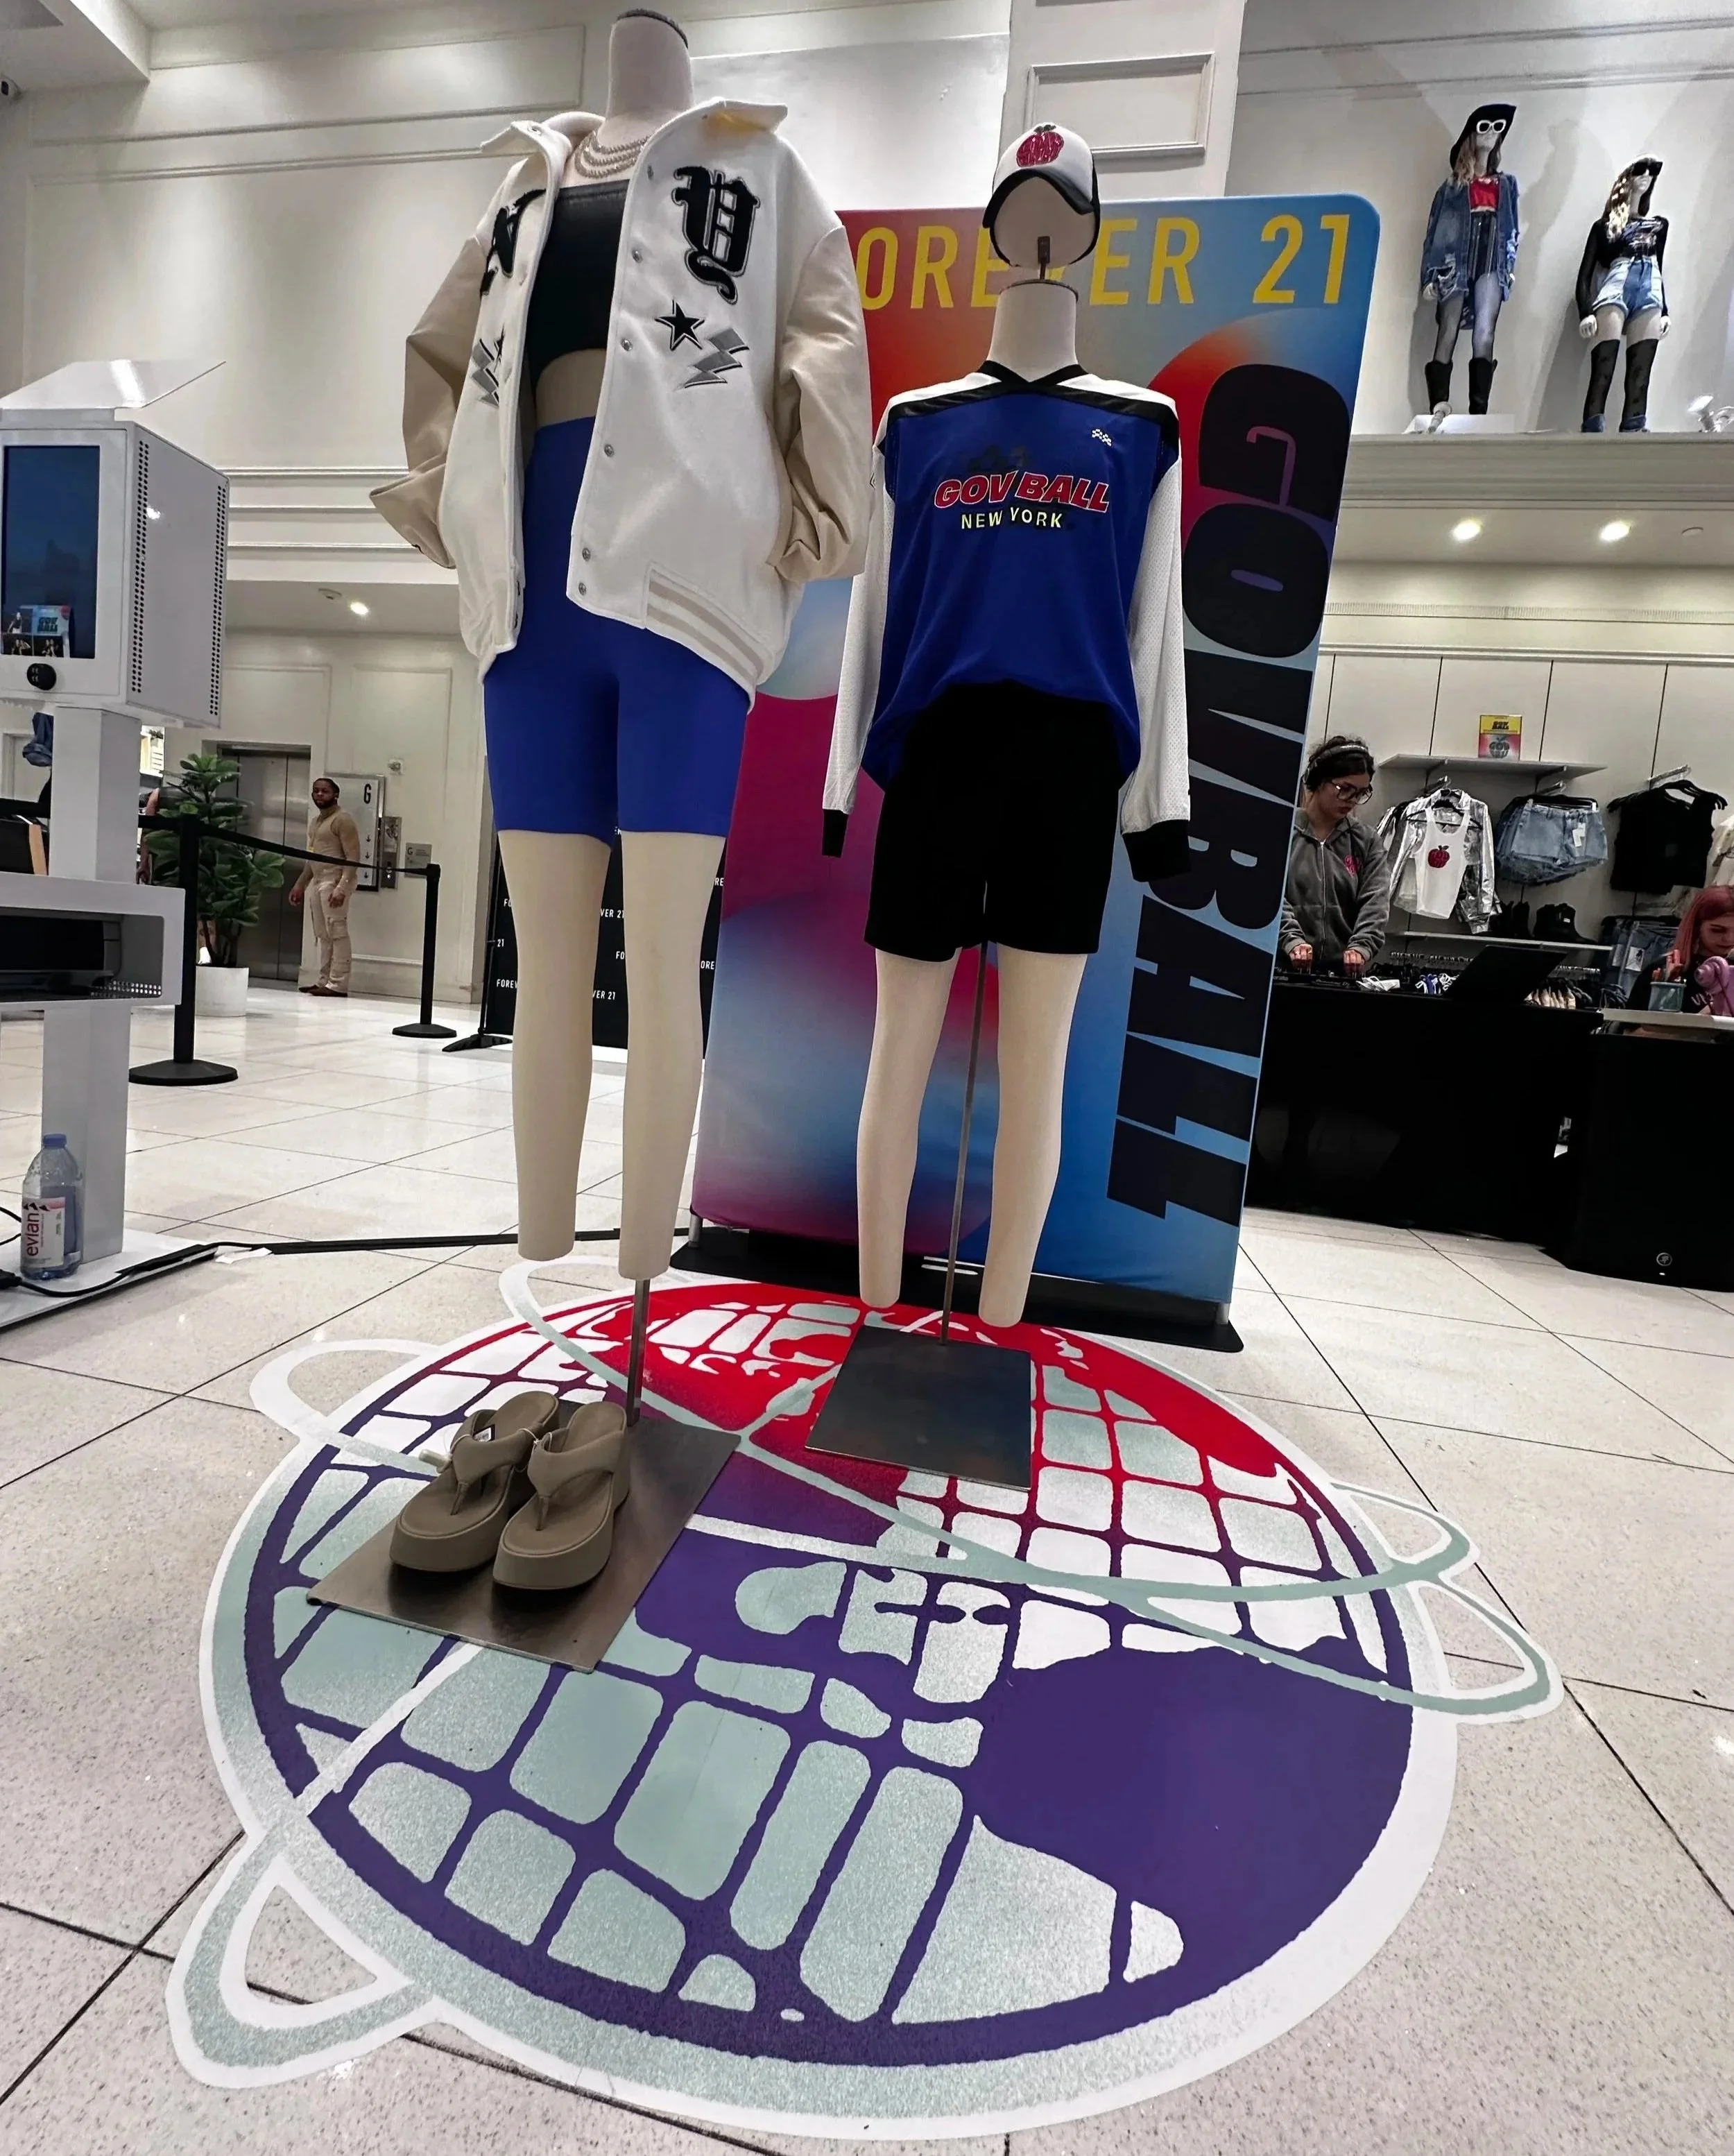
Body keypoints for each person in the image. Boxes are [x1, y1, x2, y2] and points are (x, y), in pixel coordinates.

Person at [1280, 736, 1391, 975]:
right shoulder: (1282, 832)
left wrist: (1361, 947)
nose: (1352, 801)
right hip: (1282, 970)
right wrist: (1292, 940)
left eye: (1360, 793)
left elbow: (1375, 902)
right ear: (1319, 780)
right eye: (1344, 789)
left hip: (1342, 976)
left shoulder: (1367, 841)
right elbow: (1269, 895)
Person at [289, 776, 361, 997]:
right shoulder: (316, 823)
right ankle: (324, 981)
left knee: (337, 931)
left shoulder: (342, 820)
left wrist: (341, 887)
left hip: (335, 880)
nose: (319, 794)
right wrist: (300, 885)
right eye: (316, 790)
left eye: (325, 791)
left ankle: (338, 984)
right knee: (323, 934)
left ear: (335, 794)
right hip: (318, 881)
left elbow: (353, 857)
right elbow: (313, 860)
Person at [1631, 887, 1734, 1016]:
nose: (1729, 939)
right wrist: (1698, 1021)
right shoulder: (1664, 970)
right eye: (1717, 930)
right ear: (1696, 927)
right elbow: (1630, 1027)